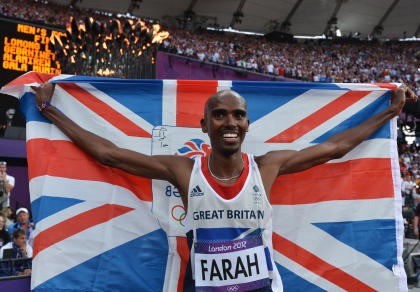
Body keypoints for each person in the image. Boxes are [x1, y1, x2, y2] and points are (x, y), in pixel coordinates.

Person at [33, 83, 417, 291]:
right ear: (205, 126)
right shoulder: (183, 171)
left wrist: (388, 112)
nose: (229, 121)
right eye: (219, 114)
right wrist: (50, 111)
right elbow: (109, 154)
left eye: (238, 115)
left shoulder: (268, 167)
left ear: (248, 124)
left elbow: (334, 148)